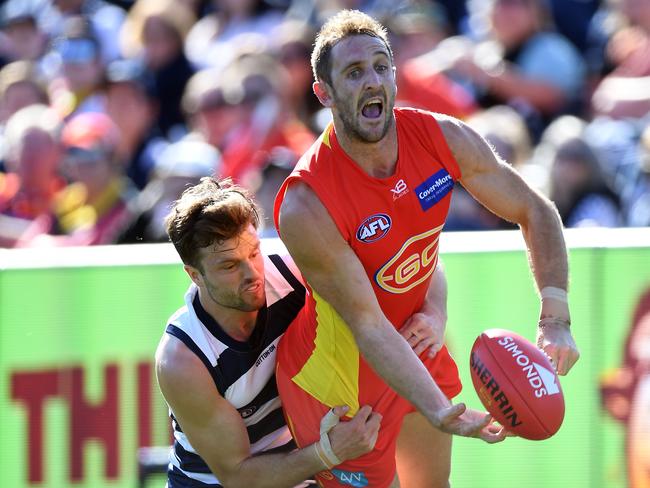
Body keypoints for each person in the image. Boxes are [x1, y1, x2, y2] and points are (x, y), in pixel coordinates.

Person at [273, 10, 580, 488]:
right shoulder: (305, 202)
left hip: (417, 349)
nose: (373, 81)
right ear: (324, 93)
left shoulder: (440, 137)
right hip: (342, 383)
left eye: (381, 66)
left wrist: (555, 317)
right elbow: (368, 323)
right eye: (354, 73)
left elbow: (533, 211)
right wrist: (438, 409)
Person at [155, 177, 382, 487]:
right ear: (194, 275)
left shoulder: (293, 275)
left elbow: (406, 255)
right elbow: (238, 476)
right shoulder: (183, 360)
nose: (252, 274)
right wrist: (329, 452)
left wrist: (433, 315)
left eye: (253, 253)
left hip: (304, 466)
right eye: (229, 266)